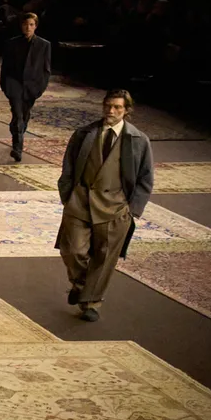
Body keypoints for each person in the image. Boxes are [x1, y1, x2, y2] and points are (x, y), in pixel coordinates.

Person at [56, 90, 154, 322]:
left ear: (126, 110)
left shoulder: (139, 140)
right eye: (108, 106)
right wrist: (67, 196)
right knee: (73, 250)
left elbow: (145, 177)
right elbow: (68, 167)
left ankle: (91, 303)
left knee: (104, 257)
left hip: (116, 208)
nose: (111, 111)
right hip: (80, 202)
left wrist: (132, 210)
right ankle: (80, 285)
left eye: (117, 107)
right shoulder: (84, 134)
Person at [0, 11, 54, 162]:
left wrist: (40, 87)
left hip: (32, 86)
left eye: (31, 25)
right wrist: (5, 86)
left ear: (36, 26)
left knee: (24, 115)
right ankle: (17, 148)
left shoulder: (44, 45)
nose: (28, 27)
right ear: (21, 26)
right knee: (18, 114)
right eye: (25, 24)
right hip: (14, 83)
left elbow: (46, 69)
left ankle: (17, 131)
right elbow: (5, 67)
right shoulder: (11, 43)